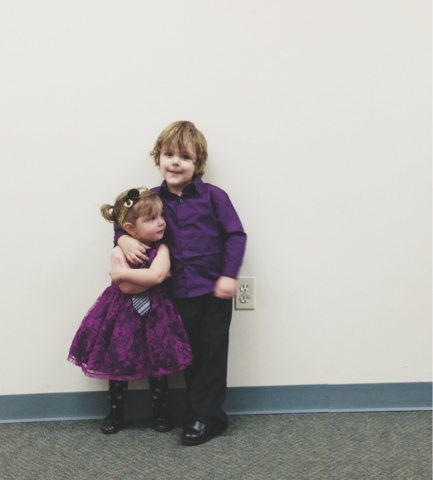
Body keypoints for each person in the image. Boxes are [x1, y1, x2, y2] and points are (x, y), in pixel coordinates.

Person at [115, 121, 247, 445]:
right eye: (169, 155)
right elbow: (122, 219)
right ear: (158, 158)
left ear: (197, 164)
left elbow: (235, 235)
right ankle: (198, 414)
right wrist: (122, 239)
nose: (176, 162)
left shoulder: (215, 197)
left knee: (213, 355)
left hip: (214, 292)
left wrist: (229, 275)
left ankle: (206, 417)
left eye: (185, 157)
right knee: (190, 356)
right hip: (175, 295)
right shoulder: (148, 198)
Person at [68, 187, 192, 435]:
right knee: (117, 362)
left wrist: (124, 273)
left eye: (161, 216)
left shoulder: (163, 249)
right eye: (152, 219)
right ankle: (116, 413)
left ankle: (161, 412)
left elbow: (154, 276)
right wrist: (144, 278)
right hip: (121, 315)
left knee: (158, 365)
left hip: (156, 312)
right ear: (130, 228)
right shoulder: (118, 250)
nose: (161, 222)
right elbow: (127, 288)